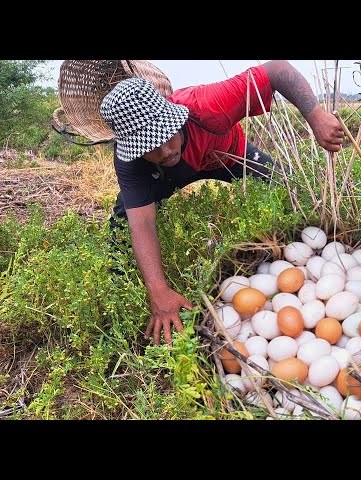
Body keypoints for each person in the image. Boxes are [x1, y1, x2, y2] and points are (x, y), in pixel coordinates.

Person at [100, 60, 344, 347]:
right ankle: (118, 301)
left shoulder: (208, 105)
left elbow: (276, 70)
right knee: (122, 224)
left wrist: (314, 115)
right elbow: (143, 222)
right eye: (150, 148)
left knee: (291, 191)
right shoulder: (131, 161)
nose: (166, 151)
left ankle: (309, 256)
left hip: (226, 156)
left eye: (167, 136)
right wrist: (159, 291)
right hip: (165, 178)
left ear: (175, 118)